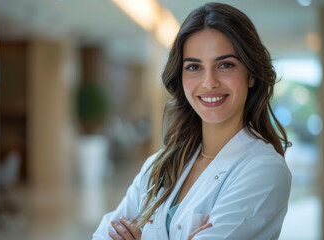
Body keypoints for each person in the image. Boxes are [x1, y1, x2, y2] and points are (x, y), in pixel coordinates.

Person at [93, 2, 292, 239]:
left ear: (250, 74)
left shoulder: (264, 170)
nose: (209, 82)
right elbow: (104, 234)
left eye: (225, 65)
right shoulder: (160, 164)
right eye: (194, 67)